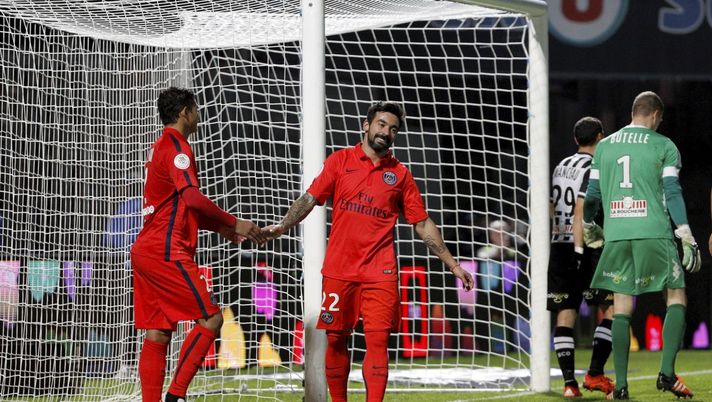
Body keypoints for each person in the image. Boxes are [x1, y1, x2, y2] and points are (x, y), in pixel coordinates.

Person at [263, 101, 474, 402]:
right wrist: (283, 225)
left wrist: (453, 265)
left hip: (381, 272)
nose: (386, 132)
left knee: (378, 342)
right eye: (381, 124)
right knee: (336, 339)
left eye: (393, 129)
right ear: (367, 125)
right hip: (340, 269)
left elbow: (422, 223)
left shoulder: (400, 175)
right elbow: (310, 198)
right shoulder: (340, 161)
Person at [130, 87, 266, 402]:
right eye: (196, 109)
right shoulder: (178, 147)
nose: (199, 115)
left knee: (158, 332)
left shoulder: (159, 146)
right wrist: (234, 222)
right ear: (185, 112)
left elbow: (177, 208)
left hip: (147, 250)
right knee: (212, 318)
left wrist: (221, 228)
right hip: (166, 251)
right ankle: (176, 396)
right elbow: (191, 198)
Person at [583, 91, 701, 400]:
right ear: (656, 115)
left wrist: (589, 224)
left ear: (633, 112)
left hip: (617, 234)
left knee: (621, 307)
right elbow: (672, 191)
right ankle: (666, 373)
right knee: (675, 296)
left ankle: (621, 387)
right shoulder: (664, 145)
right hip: (654, 232)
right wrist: (685, 233)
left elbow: (592, 194)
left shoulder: (605, 146)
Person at [548, 117, 614, 398]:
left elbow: (551, 205)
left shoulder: (561, 165)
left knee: (565, 312)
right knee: (612, 307)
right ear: (600, 136)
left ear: (576, 139)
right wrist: (580, 248)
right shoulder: (596, 165)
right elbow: (582, 206)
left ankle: (569, 384)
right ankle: (595, 373)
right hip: (585, 245)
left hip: (559, 243)